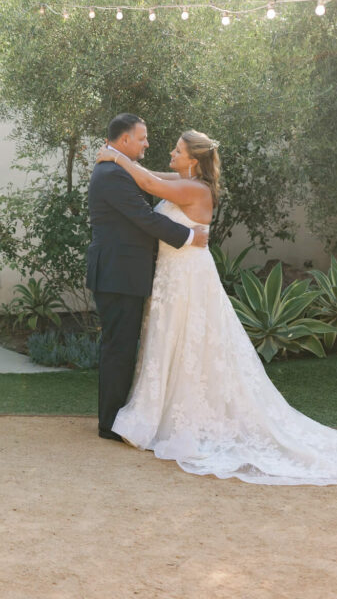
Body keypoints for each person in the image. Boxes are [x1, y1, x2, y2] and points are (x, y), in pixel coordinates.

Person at [94, 129, 337, 486]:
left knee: (192, 342)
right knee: (175, 342)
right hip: (173, 278)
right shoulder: (186, 179)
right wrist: (120, 159)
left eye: (178, 149)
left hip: (187, 278)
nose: (170, 152)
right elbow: (154, 178)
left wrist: (115, 155)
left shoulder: (194, 189)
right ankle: (166, 413)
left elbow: (150, 185)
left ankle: (188, 420)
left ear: (193, 159)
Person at [86, 113, 209, 441]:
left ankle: (112, 417)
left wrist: (122, 160)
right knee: (119, 348)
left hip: (120, 273)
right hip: (117, 273)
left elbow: (153, 181)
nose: (148, 143)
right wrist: (187, 236)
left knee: (121, 346)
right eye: (142, 138)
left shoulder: (116, 168)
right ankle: (109, 423)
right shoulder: (112, 174)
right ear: (124, 140)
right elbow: (143, 218)